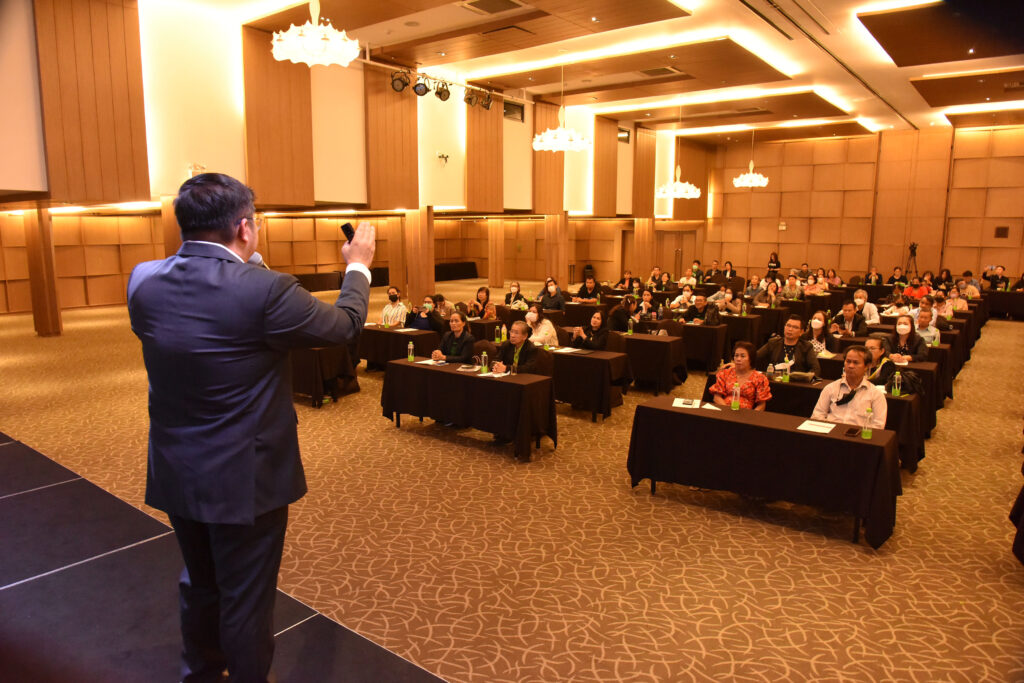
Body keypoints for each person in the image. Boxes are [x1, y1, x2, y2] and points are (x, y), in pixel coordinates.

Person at [127, 173, 374, 683]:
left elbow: (204, 321)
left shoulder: (143, 280)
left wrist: (248, 270)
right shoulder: (267, 291)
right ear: (244, 228)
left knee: (200, 582)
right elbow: (344, 326)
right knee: (246, 597)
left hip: (177, 467)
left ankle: (201, 672)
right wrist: (358, 266)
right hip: (245, 478)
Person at [811, 346, 887, 429]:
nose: (851, 366)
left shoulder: (876, 394)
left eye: (856, 363)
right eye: (848, 361)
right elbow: (817, 415)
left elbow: (878, 425)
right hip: (830, 432)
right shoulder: (830, 388)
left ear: (867, 366)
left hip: (858, 435)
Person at [711, 342, 771, 411]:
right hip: (724, 410)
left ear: (751, 359)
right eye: (736, 356)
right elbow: (716, 397)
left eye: (742, 356)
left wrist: (751, 416)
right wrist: (728, 411)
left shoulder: (759, 378)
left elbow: (761, 405)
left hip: (746, 414)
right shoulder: (725, 373)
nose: (738, 359)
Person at [756, 315, 820, 375]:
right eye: (788, 325)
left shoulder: (806, 347)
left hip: (796, 381)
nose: (790, 329)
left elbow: (816, 369)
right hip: (774, 379)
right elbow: (755, 357)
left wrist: (803, 377)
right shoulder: (773, 343)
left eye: (795, 327)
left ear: (801, 332)